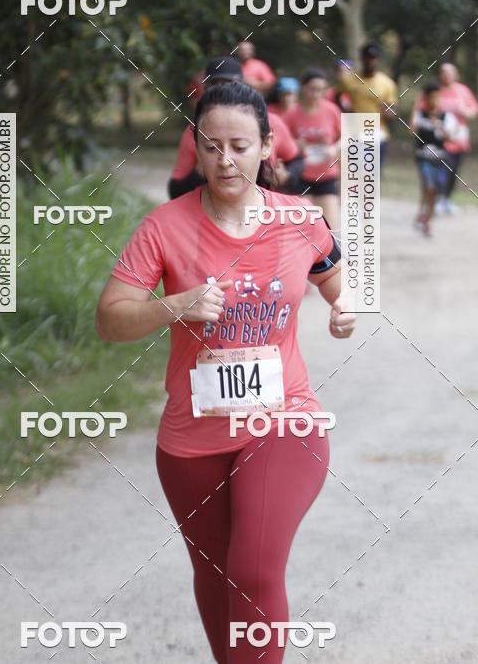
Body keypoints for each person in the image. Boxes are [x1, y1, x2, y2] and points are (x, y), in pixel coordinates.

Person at [96, 81, 355, 664]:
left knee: (253, 568)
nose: (225, 159)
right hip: (193, 437)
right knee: (215, 576)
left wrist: (344, 308)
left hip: (284, 419)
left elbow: (334, 278)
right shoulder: (164, 227)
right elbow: (110, 321)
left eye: (239, 146)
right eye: (211, 146)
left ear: (266, 147)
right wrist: (174, 305)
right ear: (195, 147)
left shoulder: (300, 218)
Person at [169, 58, 304, 199]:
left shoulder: (270, 122)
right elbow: (176, 191)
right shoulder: (195, 130)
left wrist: (286, 176)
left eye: (240, 147)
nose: (222, 91)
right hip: (214, 209)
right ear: (206, 90)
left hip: (265, 208)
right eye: (211, 147)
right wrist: (198, 174)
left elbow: (297, 161)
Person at [412, 62, 478, 214]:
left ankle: (446, 199)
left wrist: (466, 112)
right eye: (444, 72)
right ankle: (435, 199)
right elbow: (421, 110)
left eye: (450, 72)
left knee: (454, 171)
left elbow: (474, 111)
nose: (447, 75)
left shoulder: (463, 91)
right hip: (438, 141)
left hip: (458, 138)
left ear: (456, 74)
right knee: (440, 172)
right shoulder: (435, 90)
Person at [283, 67, 341, 232]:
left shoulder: (331, 110)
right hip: (301, 175)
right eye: (312, 89)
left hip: (327, 175)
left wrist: (334, 147)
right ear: (302, 86)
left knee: (330, 230)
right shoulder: (292, 113)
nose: (316, 94)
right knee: (301, 229)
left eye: (321, 90)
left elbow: (346, 137)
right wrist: (294, 143)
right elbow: (281, 142)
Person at [410, 80, 460, 237]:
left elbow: (451, 139)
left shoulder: (446, 117)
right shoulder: (420, 114)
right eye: (431, 97)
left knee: (435, 191)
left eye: (437, 97)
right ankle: (423, 213)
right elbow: (411, 130)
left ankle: (426, 219)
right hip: (423, 157)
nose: (434, 100)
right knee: (429, 186)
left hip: (440, 159)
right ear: (426, 98)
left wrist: (440, 127)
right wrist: (415, 107)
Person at [337, 43, 397, 168]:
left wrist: (388, 112)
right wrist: (345, 111)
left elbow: (392, 110)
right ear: (362, 58)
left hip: (377, 134)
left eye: (373, 58)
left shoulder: (387, 83)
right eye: (367, 57)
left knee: (372, 174)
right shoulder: (348, 80)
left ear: (378, 59)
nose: (370, 61)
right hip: (354, 133)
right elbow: (337, 96)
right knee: (355, 173)